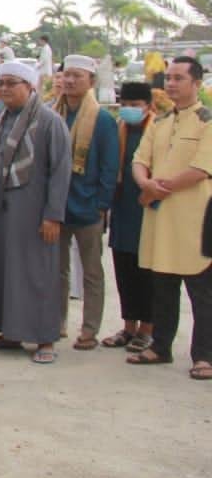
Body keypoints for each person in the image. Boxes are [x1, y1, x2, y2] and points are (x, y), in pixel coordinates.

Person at [0, 61, 71, 364]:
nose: (4, 89)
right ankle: (10, 332)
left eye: (11, 83)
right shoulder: (0, 120)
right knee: (4, 270)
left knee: (37, 273)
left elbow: (60, 172)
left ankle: (45, 338)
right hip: (0, 210)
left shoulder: (48, 121)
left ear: (30, 87)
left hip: (34, 212)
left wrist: (53, 215)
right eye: (1, 83)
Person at [127, 57, 212, 380]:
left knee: (202, 290)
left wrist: (158, 189)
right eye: (169, 78)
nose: (171, 84)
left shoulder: (207, 122)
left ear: (197, 84)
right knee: (162, 286)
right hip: (160, 218)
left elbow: (202, 169)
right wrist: (145, 183)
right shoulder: (159, 122)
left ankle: (204, 355)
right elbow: (139, 160)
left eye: (179, 78)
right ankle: (160, 346)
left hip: (195, 218)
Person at [54, 55, 119, 351]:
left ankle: (90, 329)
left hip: (89, 205)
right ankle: (57, 322)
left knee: (92, 271)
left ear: (91, 82)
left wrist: (102, 205)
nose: (70, 81)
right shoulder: (52, 114)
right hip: (57, 205)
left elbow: (109, 167)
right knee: (56, 269)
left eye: (77, 76)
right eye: (67, 75)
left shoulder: (103, 119)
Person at [102, 82, 155, 352]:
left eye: (135, 106)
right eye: (125, 105)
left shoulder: (156, 131)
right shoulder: (119, 129)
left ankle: (147, 329)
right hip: (122, 212)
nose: (129, 110)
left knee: (146, 272)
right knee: (123, 270)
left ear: (149, 106)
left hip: (147, 212)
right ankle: (128, 326)